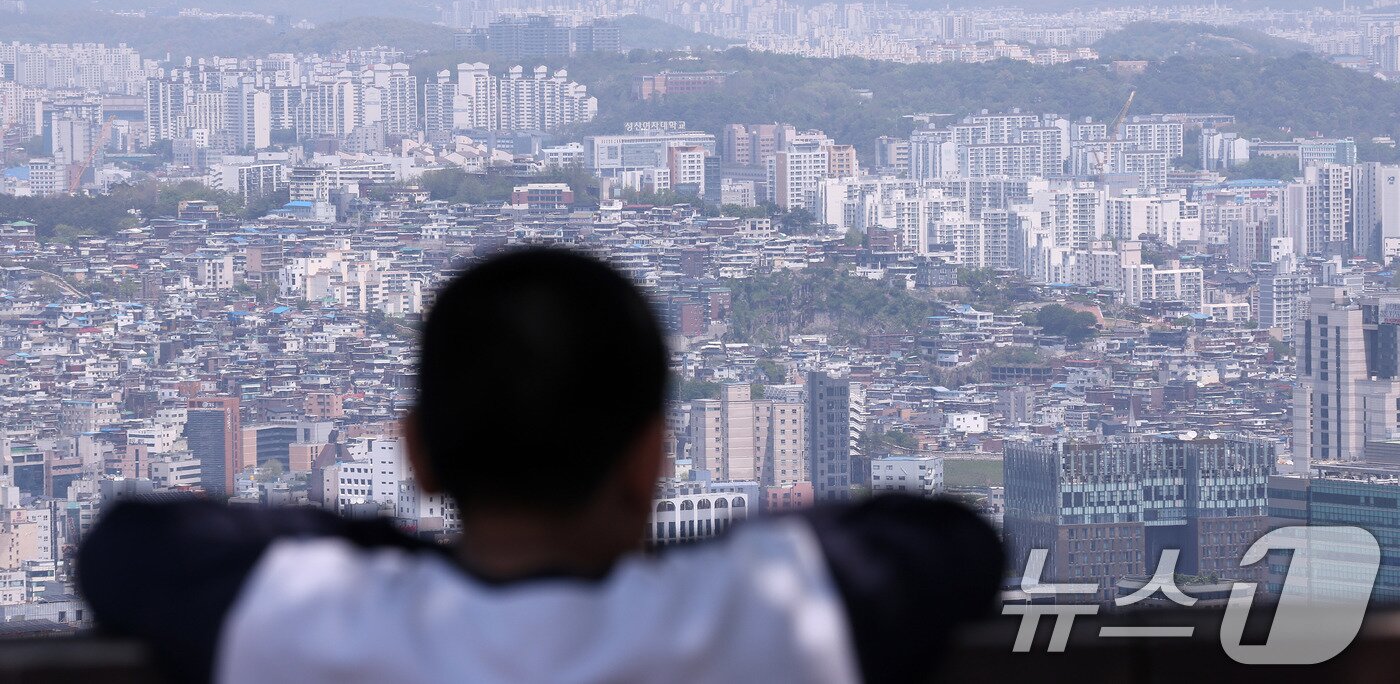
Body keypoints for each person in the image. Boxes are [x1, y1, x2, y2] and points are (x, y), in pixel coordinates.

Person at [78, 248, 1004, 684]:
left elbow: (130, 547)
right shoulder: (756, 621)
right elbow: (950, 545)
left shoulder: (318, 625)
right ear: (653, 456)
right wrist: (695, 562)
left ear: (417, 456)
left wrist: (387, 550)